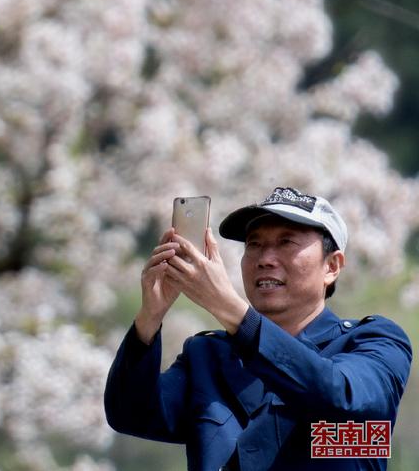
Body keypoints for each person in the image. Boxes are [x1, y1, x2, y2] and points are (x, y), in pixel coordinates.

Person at [104, 186, 412, 470]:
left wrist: (229, 308)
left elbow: (340, 399)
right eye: (254, 244)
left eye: (286, 242)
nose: (265, 258)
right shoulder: (209, 356)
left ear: (331, 266)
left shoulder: (373, 343)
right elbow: (131, 414)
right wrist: (149, 317)